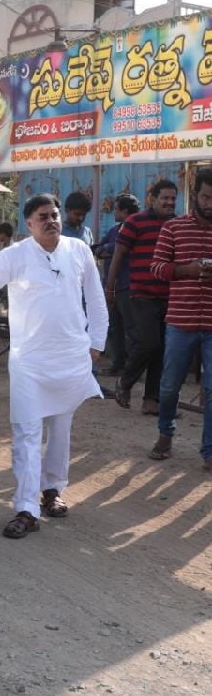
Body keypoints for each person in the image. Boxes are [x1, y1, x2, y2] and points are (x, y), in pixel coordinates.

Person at [0, 193, 108, 539]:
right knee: (27, 432)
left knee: (61, 429)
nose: (51, 221)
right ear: (29, 224)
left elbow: (95, 298)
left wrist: (96, 343)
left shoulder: (79, 250)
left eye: (54, 215)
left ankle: (53, 491)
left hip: (70, 357)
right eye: (43, 217)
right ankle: (26, 508)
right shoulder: (15, 255)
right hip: (30, 361)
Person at [147, 169, 212, 472]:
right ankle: (165, 434)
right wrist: (187, 270)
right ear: (195, 194)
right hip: (180, 321)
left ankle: (209, 450)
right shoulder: (173, 228)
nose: (210, 204)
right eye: (206, 197)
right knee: (170, 386)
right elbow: (157, 267)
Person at [105, 179, 178, 415]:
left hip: (169, 296)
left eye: (173, 198)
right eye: (164, 198)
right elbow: (118, 255)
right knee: (149, 343)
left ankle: (150, 400)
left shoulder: (177, 225)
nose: (169, 202)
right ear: (152, 199)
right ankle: (125, 381)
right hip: (141, 294)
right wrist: (110, 288)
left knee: (161, 348)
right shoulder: (135, 222)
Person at [96, 193, 141, 375]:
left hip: (128, 286)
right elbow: (99, 249)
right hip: (112, 286)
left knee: (132, 328)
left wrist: (109, 249)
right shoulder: (114, 230)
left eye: (116, 209)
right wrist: (108, 249)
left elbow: (120, 249)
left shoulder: (137, 229)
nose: (114, 212)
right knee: (113, 326)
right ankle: (118, 364)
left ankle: (135, 367)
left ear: (125, 211)